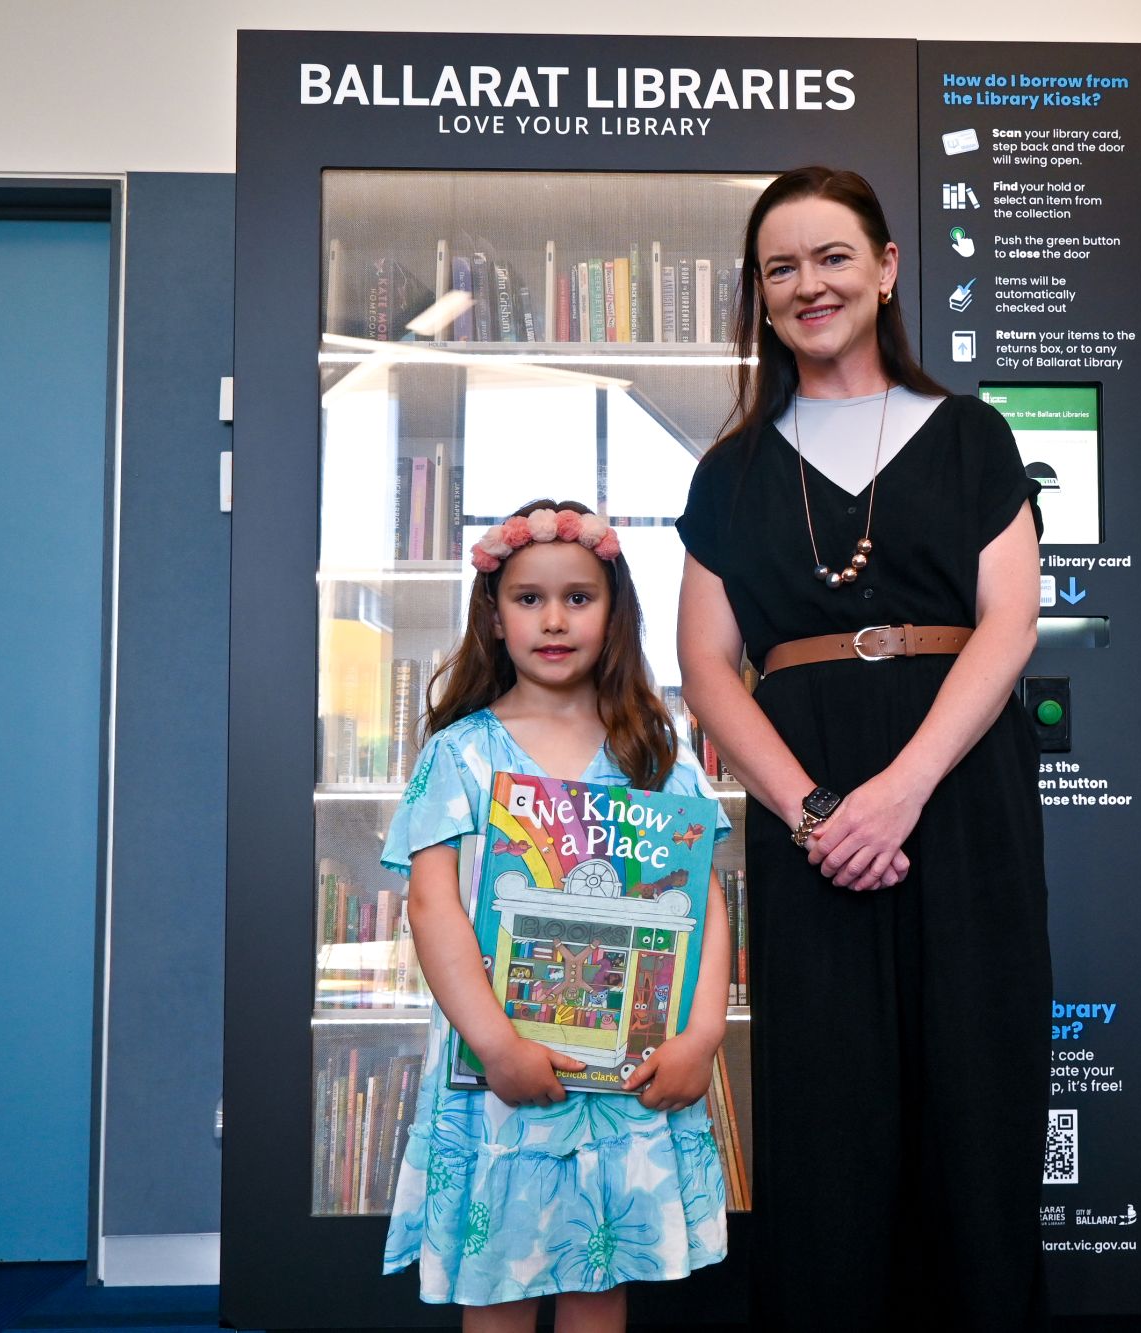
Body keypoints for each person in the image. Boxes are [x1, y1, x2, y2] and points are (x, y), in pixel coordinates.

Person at [675, 166, 1050, 1329]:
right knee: (828, 1116)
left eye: (832, 256)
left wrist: (897, 792)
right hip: (809, 821)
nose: (808, 284)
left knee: (976, 1096)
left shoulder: (972, 436)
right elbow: (704, 668)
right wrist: (812, 815)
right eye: (779, 267)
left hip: (958, 795)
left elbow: (1010, 623)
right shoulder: (730, 471)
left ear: (885, 270)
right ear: (759, 294)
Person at [380, 498, 731, 1332]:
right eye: (528, 598)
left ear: (614, 615)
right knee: (495, 1289)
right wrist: (496, 1044)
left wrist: (703, 1035)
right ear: (494, 618)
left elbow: (705, 901)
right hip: (499, 1074)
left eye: (579, 596)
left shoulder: (656, 752)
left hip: (625, 1084)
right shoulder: (460, 752)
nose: (554, 619)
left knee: (598, 1280)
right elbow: (431, 905)